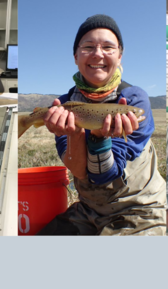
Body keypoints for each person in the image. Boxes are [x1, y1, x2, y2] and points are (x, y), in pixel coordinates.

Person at [38, 14, 166, 235]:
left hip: (140, 210)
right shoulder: (63, 105)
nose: (98, 53)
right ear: (76, 55)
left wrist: (98, 138)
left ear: (119, 56)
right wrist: (75, 134)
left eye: (108, 47)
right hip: (89, 210)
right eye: (88, 47)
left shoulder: (135, 100)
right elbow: (78, 170)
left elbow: (106, 175)